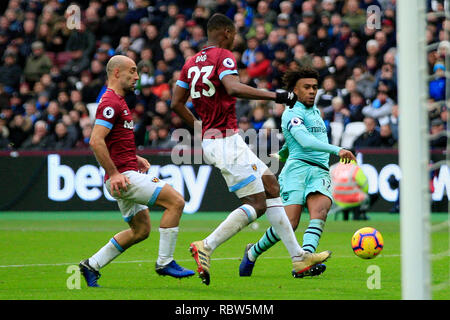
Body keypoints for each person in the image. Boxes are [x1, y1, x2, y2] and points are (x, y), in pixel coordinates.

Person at [171, 13, 331, 285]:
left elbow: (176, 103)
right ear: (226, 33)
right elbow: (232, 88)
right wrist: (275, 96)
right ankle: (206, 246)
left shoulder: (189, 63)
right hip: (224, 141)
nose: (235, 40)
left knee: (271, 185)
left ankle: (299, 257)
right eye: (234, 35)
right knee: (256, 204)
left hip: (222, 139)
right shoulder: (223, 56)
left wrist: (199, 128)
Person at [79, 55, 194, 287]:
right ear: (117, 73)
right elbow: (95, 141)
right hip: (123, 178)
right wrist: (114, 173)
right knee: (176, 202)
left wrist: (134, 158)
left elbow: (112, 141)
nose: (137, 76)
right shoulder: (110, 103)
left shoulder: (118, 101)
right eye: (132, 71)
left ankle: (91, 265)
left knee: (140, 230)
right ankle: (165, 262)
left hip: (126, 172)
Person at [239, 67, 356, 277]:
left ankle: (305, 261)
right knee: (290, 223)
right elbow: (304, 140)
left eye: (314, 87)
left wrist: (283, 151)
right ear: (295, 90)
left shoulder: (316, 113)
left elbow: (301, 139)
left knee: (320, 212)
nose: (312, 91)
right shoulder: (291, 112)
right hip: (297, 170)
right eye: (307, 87)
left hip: (319, 170)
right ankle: (252, 252)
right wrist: (337, 149)